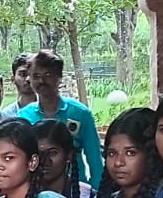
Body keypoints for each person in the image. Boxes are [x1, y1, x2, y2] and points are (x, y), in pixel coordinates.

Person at [18, 50, 104, 185]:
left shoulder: (80, 114)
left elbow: (95, 159)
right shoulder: (24, 117)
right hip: (35, 189)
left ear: (59, 77)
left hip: (75, 188)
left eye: (47, 75)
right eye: (36, 76)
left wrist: (96, 192)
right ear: (30, 78)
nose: (41, 81)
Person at [34, 119, 96, 198]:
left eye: (53, 153)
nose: (45, 161)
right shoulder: (21, 197)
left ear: (69, 155)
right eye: (38, 154)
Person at [0, 53, 36, 120]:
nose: (28, 79)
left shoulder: (50, 110)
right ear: (13, 79)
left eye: (33, 74)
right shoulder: (6, 116)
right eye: (23, 74)